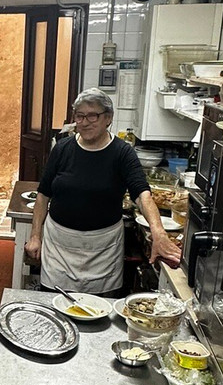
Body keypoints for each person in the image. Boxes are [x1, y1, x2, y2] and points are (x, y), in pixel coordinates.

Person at [25, 89, 181, 296]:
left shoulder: (122, 152)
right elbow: (43, 195)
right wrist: (35, 236)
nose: (84, 122)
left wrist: (158, 232)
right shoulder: (62, 149)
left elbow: (142, 194)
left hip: (103, 249)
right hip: (59, 247)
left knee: (100, 307)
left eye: (92, 116)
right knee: (54, 302)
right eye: (79, 116)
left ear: (108, 118)